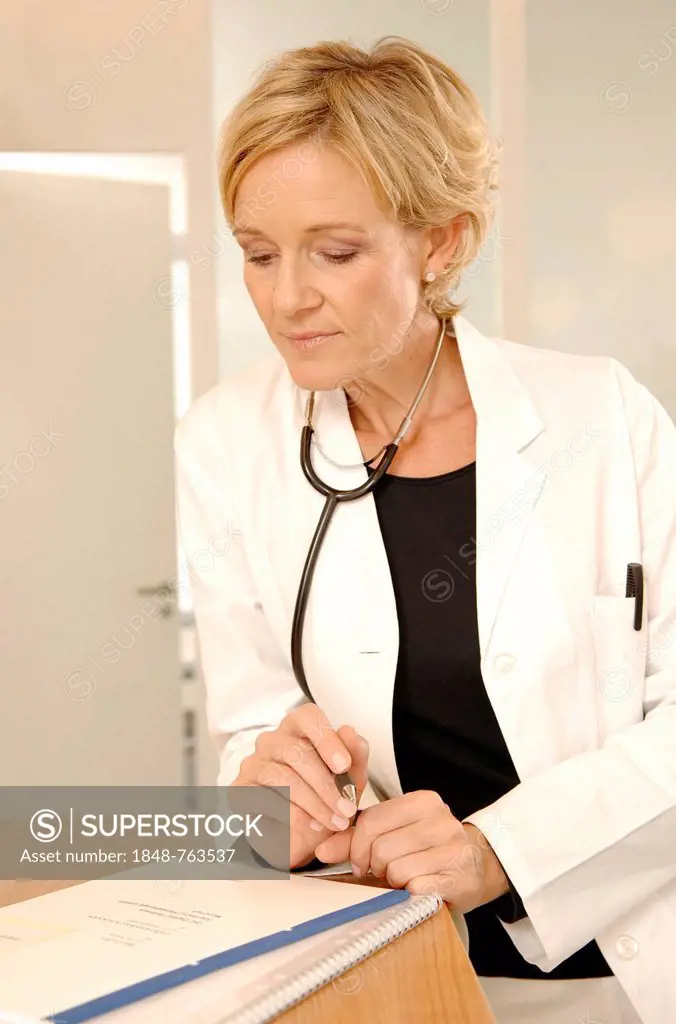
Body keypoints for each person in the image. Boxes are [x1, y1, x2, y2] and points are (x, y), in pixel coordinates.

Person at [173, 36, 676, 1024]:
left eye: (337, 251)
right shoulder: (224, 441)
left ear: (441, 242)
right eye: (258, 253)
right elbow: (247, 725)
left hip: (612, 970)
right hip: (368, 965)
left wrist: (503, 849)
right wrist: (266, 785)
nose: (286, 296)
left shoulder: (602, 418)